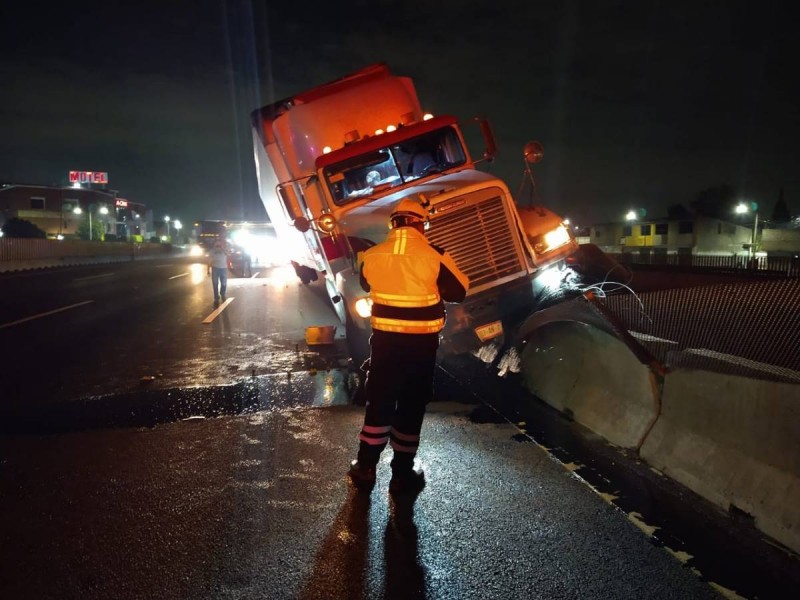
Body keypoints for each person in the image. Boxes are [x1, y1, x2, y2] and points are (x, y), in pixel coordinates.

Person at [347, 195, 469, 495]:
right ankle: (402, 473)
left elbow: (366, 285)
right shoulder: (435, 255)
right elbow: (460, 291)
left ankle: (365, 467)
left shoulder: (371, 255)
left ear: (394, 224)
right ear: (420, 224)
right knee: (412, 404)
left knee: (380, 400)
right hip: (421, 346)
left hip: (385, 344)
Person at [207, 239, 229, 308]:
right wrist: (208, 269)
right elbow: (209, 260)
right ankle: (216, 298)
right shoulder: (212, 251)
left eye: (219, 242)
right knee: (215, 284)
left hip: (223, 269)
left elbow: (228, 254)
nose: (218, 244)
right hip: (215, 268)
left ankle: (223, 294)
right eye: (217, 243)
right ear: (215, 243)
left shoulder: (224, 250)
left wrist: (222, 248)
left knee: (224, 283)